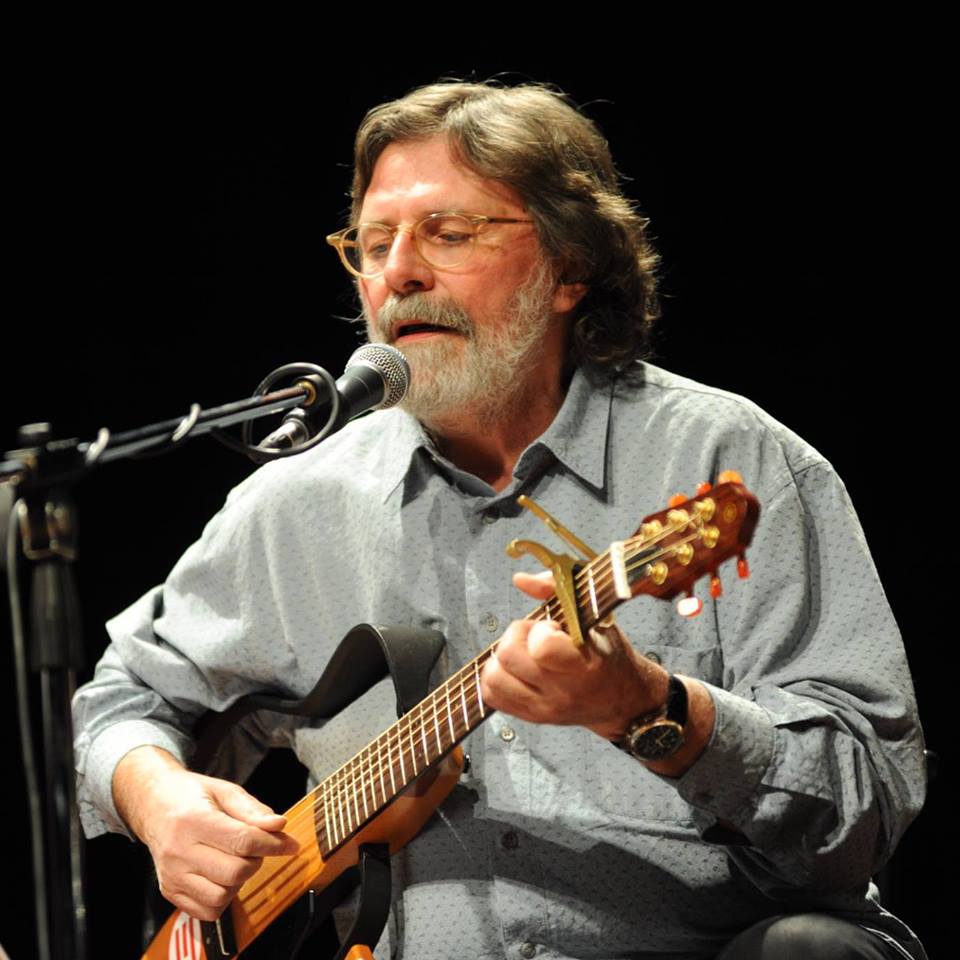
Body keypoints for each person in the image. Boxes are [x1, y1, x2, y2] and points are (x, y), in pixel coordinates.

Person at [73, 82, 927, 959]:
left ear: (570, 267)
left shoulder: (729, 461)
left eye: (448, 233)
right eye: (375, 242)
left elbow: (864, 809)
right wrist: (158, 799)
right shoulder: (298, 502)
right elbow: (122, 698)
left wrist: (652, 710)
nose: (399, 271)